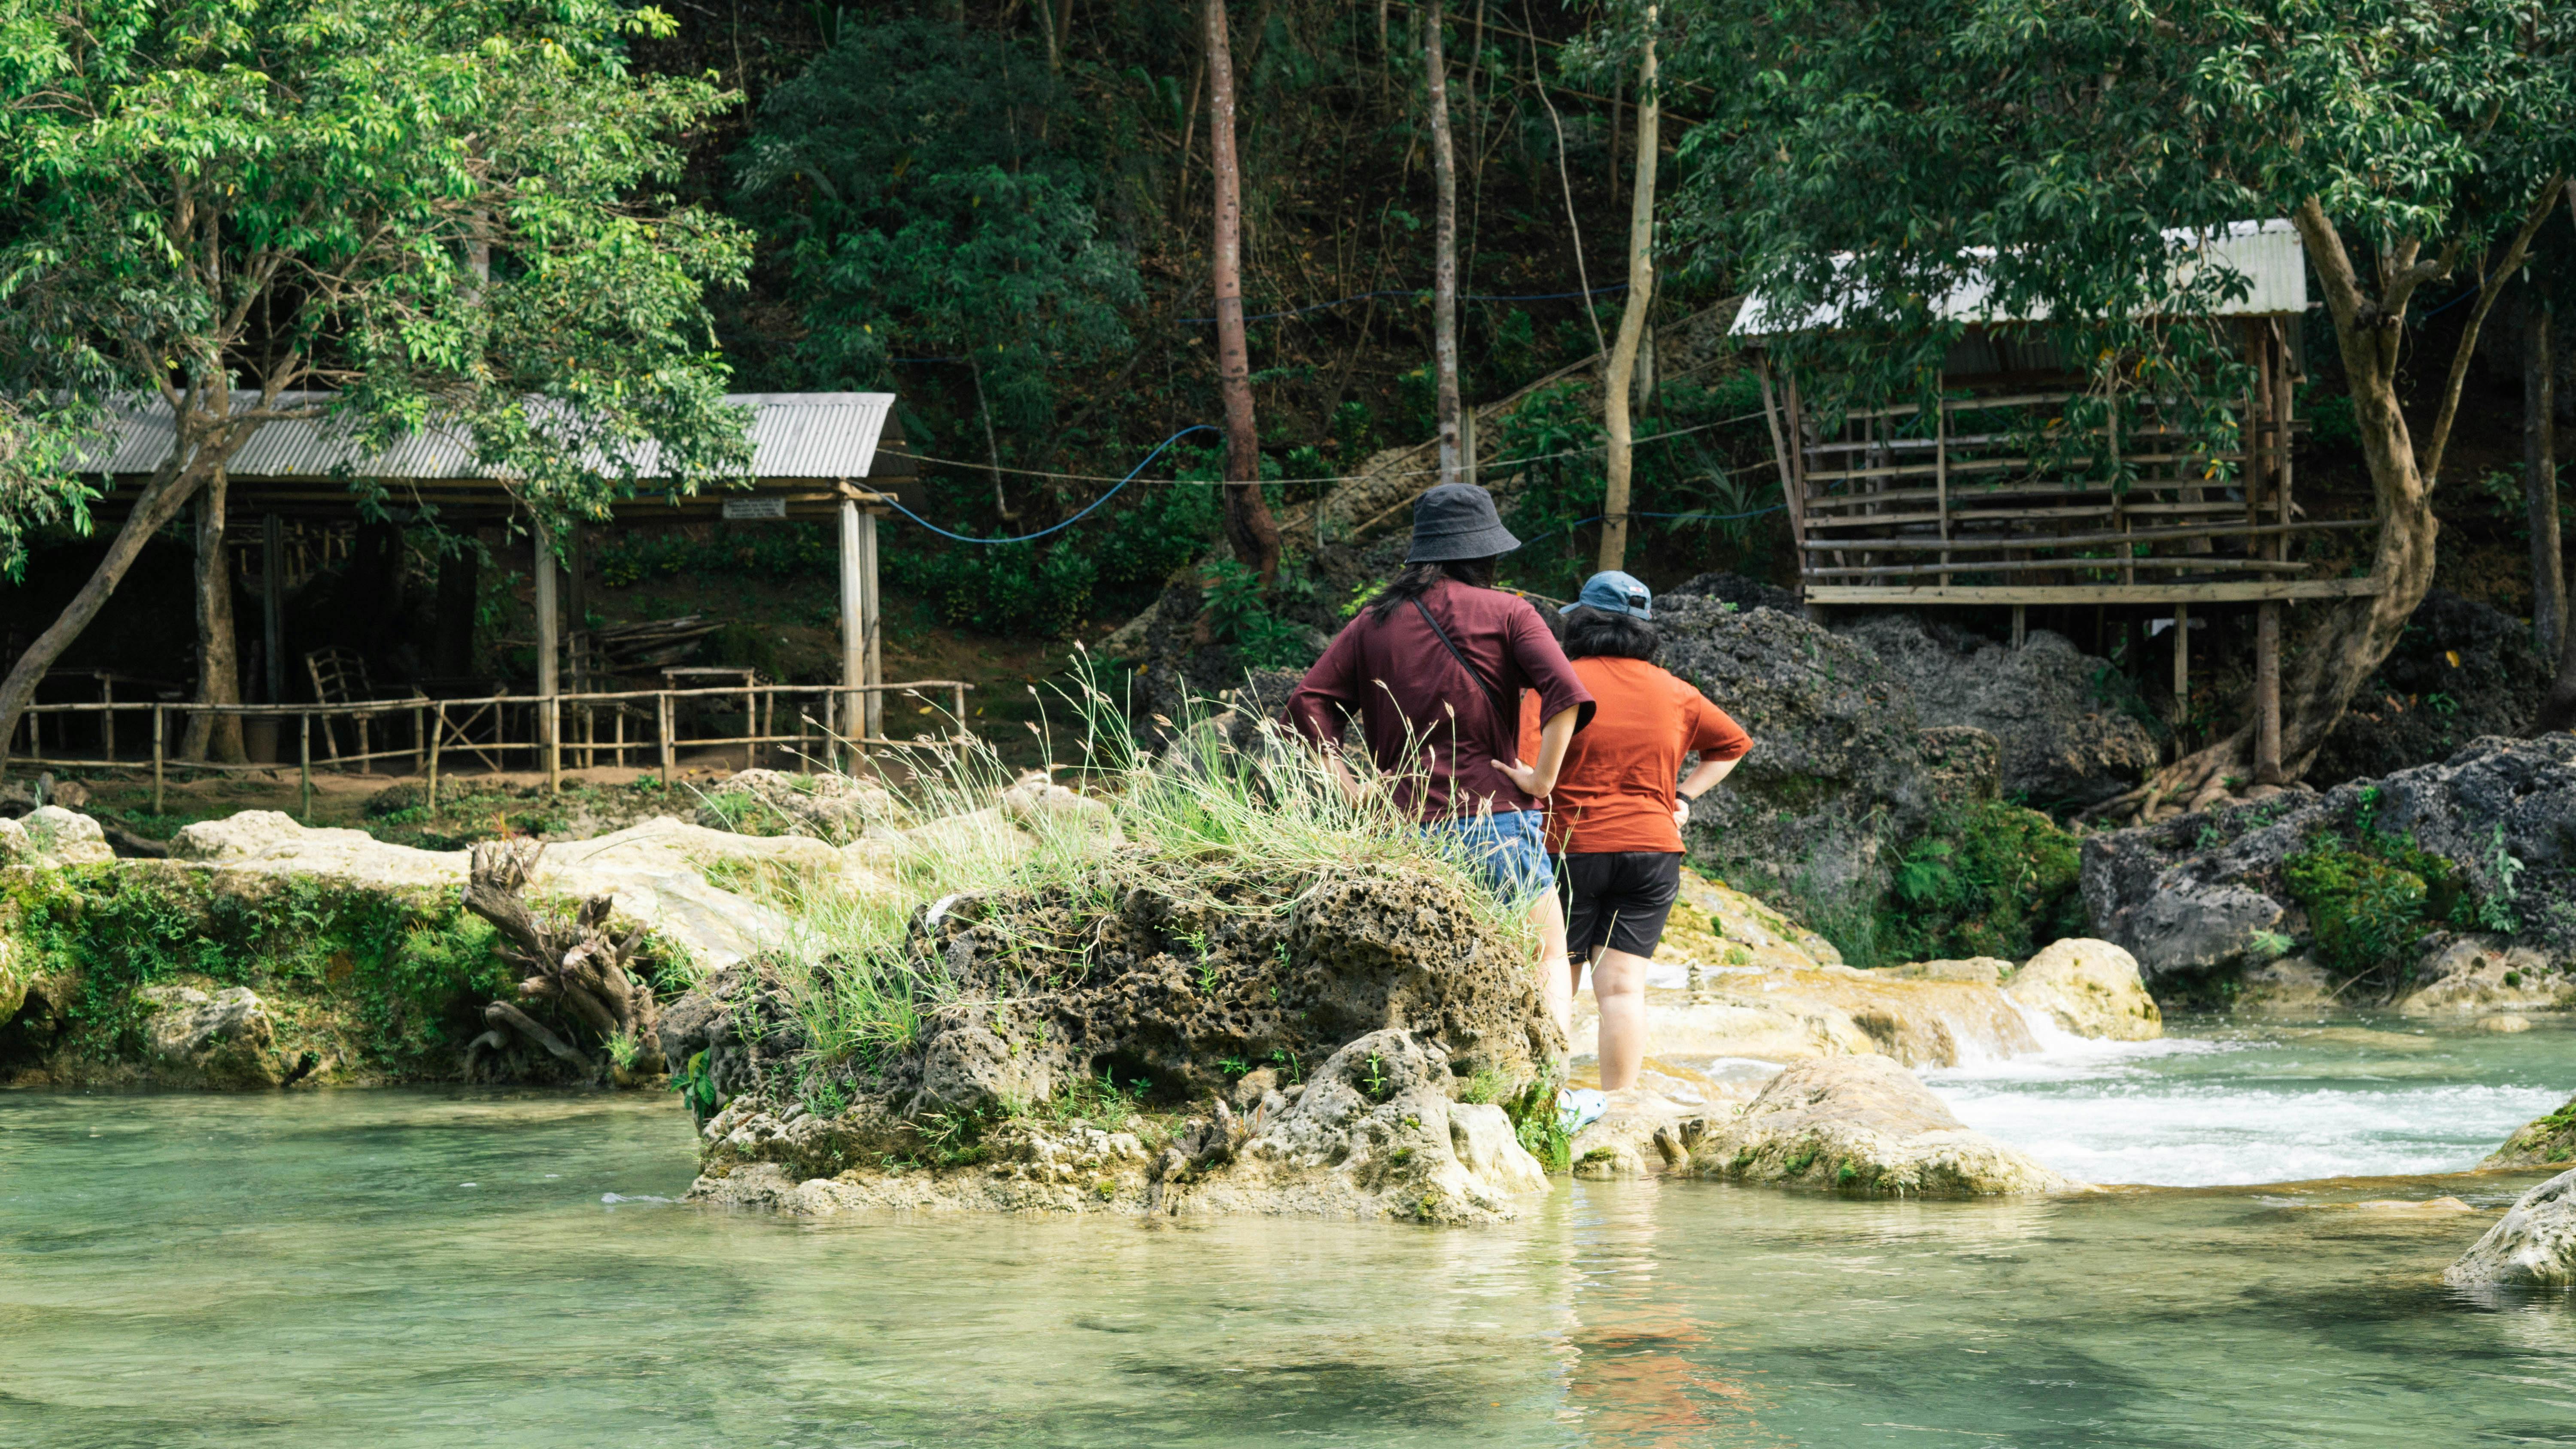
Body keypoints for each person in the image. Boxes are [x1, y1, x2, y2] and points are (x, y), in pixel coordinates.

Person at [1287, 484, 1594, 993]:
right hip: (1492, 823)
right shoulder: (1511, 613)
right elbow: (1567, 694)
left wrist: (1350, 790)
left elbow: (1306, 704)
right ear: (1486, 551)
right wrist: (1541, 779)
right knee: (1543, 957)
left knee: (1423, 983)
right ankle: (1542, 1075)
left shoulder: (1373, 622)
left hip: (1397, 831)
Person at [1521, 571, 1750, 1095]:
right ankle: (1619, 1110)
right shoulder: (1676, 691)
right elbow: (1732, 745)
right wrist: (1684, 797)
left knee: (1556, 980)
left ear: (1581, 622)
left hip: (1570, 848)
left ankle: (1543, 1107)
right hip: (1652, 851)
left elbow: (1523, 758)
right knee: (1623, 990)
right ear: (1644, 629)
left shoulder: (1556, 683)